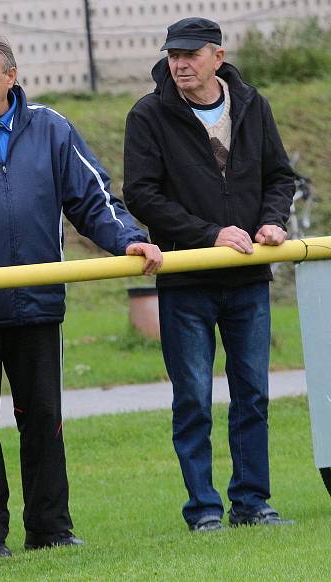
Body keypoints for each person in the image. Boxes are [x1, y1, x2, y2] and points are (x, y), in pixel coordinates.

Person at [0, 35, 162, 559]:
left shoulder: (51, 129)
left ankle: (50, 528)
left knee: (43, 419)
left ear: (10, 77)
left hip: (37, 304)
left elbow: (93, 198)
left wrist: (128, 237)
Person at [123, 17, 296, 531]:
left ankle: (252, 504)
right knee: (193, 399)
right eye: (174, 54)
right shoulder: (149, 114)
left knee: (253, 395)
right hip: (186, 281)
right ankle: (202, 511)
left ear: (217, 57)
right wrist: (210, 233)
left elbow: (279, 176)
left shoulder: (252, 104)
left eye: (191, 54)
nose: (180, 63)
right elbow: (143, 195)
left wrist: (271, 220)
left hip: (247, 280)